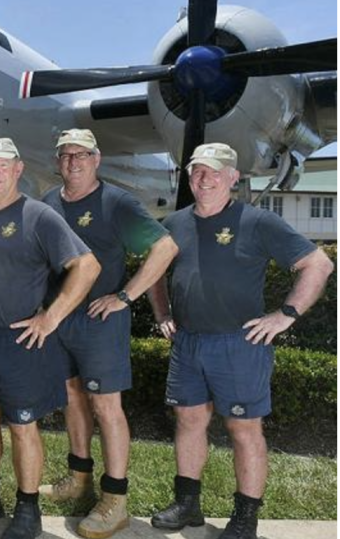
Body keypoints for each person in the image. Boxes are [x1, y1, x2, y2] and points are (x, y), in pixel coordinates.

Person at [147, 143, 333, 539]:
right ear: (189, 177)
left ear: (234, 177)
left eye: (215, 171)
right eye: (197, 170)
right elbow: (154, 273)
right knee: (189, 420)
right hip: (188, 343)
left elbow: (318, 263)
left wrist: (286, 315)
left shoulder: (257, 221)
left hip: (239, 344)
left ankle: (245, 519)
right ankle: (187, 505)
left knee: (244, 430)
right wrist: (162, 314)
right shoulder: (174, 224)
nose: (205, 178)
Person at [0, 138, 100, 539]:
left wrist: (51, 317)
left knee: (23, 426)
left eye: (2, 165)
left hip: (20, 341)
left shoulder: (39, 215)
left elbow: (86, 265)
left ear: (18, 169)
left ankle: (27, 508)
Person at [38, 129, 178, 539]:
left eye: (82, 154)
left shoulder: (115, 202)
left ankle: (115, 498)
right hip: (60, 317)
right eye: (66, 155)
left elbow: (165, 247)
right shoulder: (49, 202)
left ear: (97, 159)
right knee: (71, 397)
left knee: (105, 406)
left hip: (100, 320)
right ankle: (79, 477)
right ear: (58, 161)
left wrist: (125, 296)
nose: (73, 162)